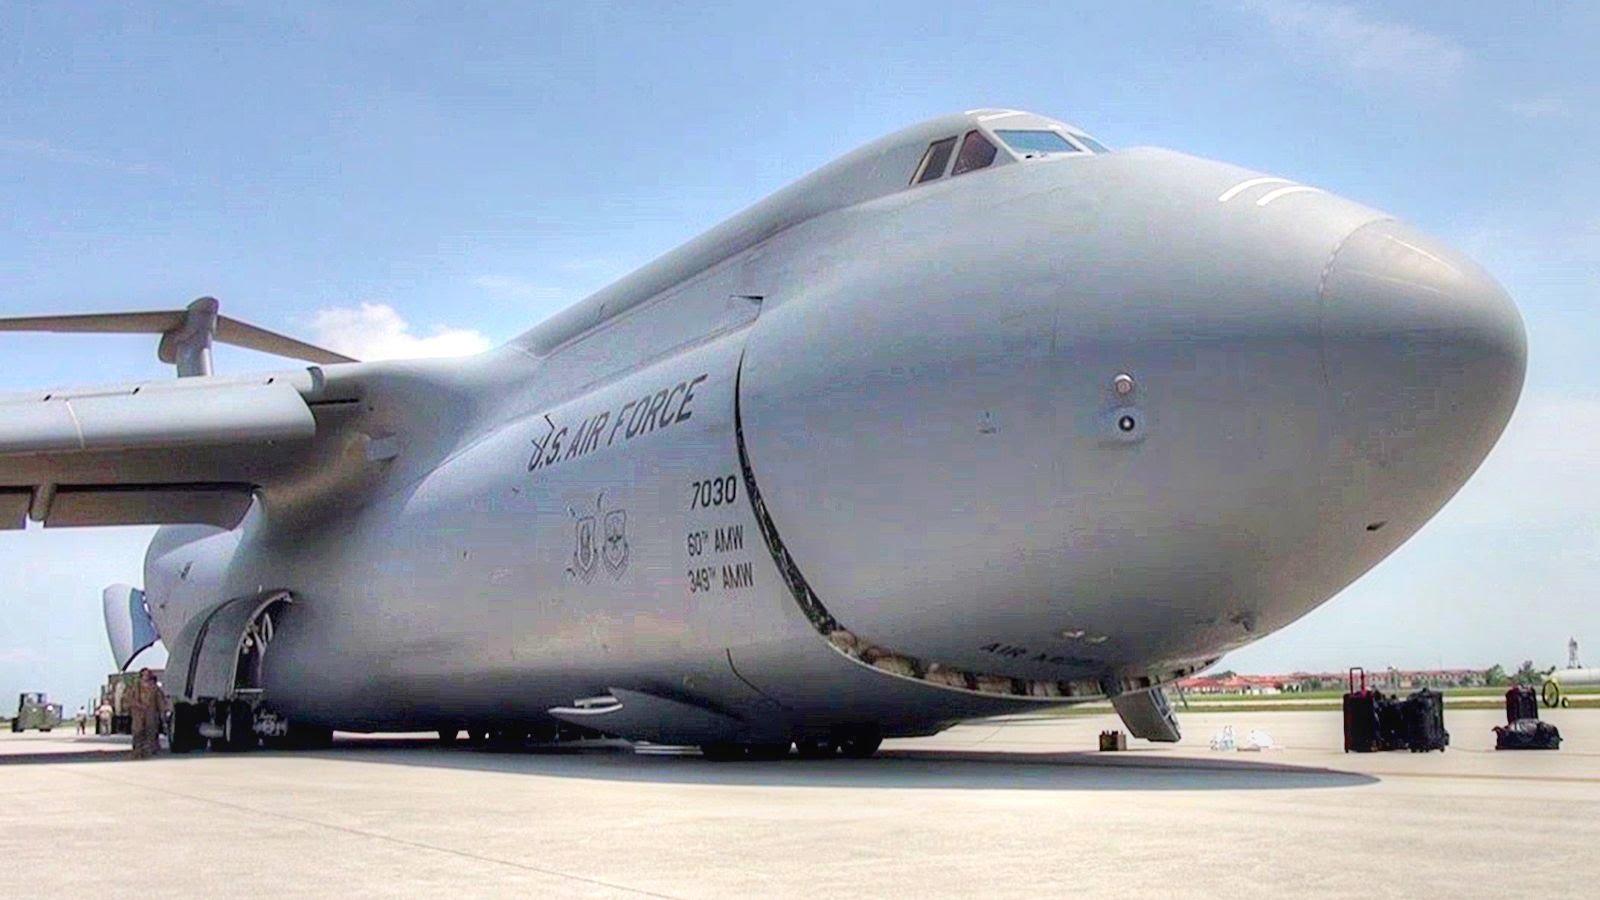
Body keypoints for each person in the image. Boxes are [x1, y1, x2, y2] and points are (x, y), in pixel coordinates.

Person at [128, 668, 165, 759]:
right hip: (138, 712)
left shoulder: (154, 687)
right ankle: (137, 750)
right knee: (138, 731)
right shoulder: (135, 687)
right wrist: (135, 706)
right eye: (144, 674)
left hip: (151, 712)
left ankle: (149, 750)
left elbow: (160, 699)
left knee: (151, 730)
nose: (146, 676)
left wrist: (162, 711)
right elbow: (129, 699)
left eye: (147, 675)